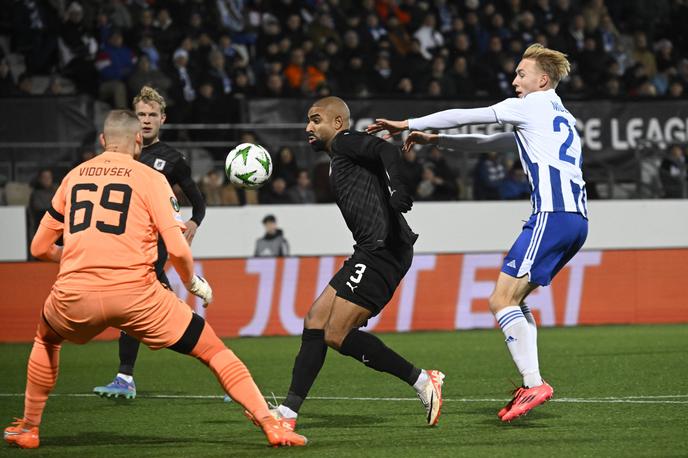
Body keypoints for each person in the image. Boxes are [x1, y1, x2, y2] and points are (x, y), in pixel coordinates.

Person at [3, 110, 306, 449]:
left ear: (103, 141)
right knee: (213, 350)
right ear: (137, 140)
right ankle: (271, 424)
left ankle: (29, 428)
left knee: (46, 340)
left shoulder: (73, 177)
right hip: (138, 296)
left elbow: (39, 247)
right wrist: (192, 282)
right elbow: (177, 247)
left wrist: (76, 258)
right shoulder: (150, 178)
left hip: (76, 294)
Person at [367, 44, 588, 422]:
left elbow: (467, 116)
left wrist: (410, 123)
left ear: (543, 80)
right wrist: (435, 141)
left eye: (522, 74)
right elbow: (491, 142)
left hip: (551, 215)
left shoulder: (529, 105)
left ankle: (534, 382)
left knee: (500, 300)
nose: (515, 80)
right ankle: (531, 382)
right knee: (514, 299)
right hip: (576, 220)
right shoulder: (559, 116)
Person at [250, 96, 444, 431]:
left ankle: (423, 381)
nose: (308, 127)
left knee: (337, 333)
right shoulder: (337, 156)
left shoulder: (345, 142)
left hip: (384, 250)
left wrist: (397, 187)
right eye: (308, 121)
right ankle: (289, 413)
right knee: (315, 320)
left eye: (315, 120)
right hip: (368, 251)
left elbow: (386, 149)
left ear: (337, 123)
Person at [93, 86, 207, 399]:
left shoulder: (172, 159)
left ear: (163, 118)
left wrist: (194, 222)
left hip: (150, 250)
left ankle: (124, 377)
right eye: (141, 115)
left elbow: (199, 202)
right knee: (168, 316)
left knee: (140, 313)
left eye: (152, 115)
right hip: (121, 246)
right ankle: (222, 367)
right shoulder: (119, 155)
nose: (146, 120)